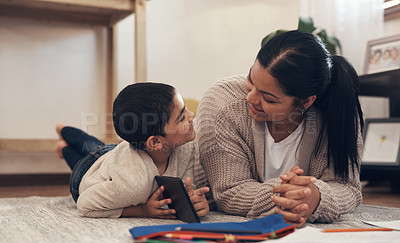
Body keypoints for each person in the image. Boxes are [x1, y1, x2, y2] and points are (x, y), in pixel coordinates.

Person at [195, 30, 364, 228]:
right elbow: (229, 191)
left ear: (306, 102)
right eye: (251, 79)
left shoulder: (337, 111)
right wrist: (292, 196)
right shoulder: (222, 103)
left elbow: (347, 187)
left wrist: (317, 197)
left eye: (269, 98)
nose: (251, 98)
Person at [56, 82, 209, 218]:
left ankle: (63, 138)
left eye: (186, 109)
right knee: (80, 153)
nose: (191, 115)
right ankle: (62, 135)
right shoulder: (134, 185)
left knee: (95, 146)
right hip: (87, 172)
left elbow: (188, 183)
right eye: (181, 117)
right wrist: (143, 211)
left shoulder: (183, 146)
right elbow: (85, 204)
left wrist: (195, 200)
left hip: (114, 152)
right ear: (155, 142)